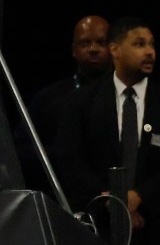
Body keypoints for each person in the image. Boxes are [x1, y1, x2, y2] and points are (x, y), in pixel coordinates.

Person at [53, 17, 158, 243]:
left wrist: (140, 197)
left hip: (154, 223)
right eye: (140, 44)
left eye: (151, 44)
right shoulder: (82, 101)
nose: (149, 52)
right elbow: (69, 158)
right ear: (115, 50)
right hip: (99, 225)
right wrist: (113, 200)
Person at [14, 14, 110, 191]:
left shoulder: (126, 97)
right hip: (63, 196)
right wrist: (63, 155)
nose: (93, 49)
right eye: (85, 43)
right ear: (74, 50)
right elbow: (22, 149)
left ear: (114, 48)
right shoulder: (49, 98)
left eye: (101, 42)